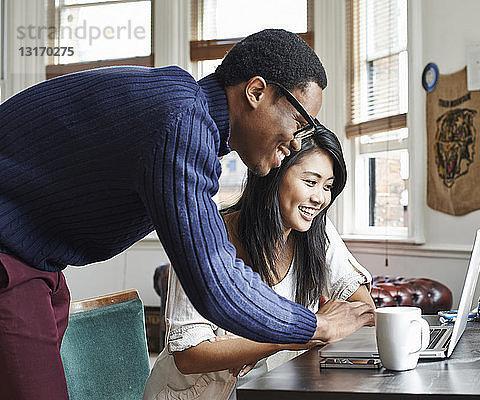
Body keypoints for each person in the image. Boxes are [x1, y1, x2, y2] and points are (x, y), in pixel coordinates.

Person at [0, 29, 374, 400]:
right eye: (299, 121)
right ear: (257, 92)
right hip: (11, 259)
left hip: (39, 263)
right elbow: (214, 282)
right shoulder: (179, 121)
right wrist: (314, 326)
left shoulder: (184, 117)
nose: (297, 140)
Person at [144, 124, 375, 400]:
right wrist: (291, 335)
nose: (320, 198)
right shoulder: (205, 236)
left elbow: (364, 310)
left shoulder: (316, 231)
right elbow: (189, 355)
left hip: (271, 389)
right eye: (311, 182)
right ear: (275, 174)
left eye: (328, 187)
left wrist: (253, 344)